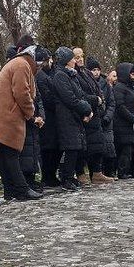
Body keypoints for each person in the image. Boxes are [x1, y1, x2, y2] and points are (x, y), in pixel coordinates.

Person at [0, 36, 43, 201]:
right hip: (8, 116)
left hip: (1, 115)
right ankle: (21, 189)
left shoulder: (15, 63)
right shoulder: (22, 65)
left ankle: (10, 190)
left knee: (5, 155)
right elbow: (21, 92)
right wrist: (31, 113)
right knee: (11, 154)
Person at [50, 47, 93, 191]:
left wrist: (86, 109)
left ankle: (70, 177)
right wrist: (86, 108)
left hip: (74, 116)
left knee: (75, 147)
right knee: (71, 147)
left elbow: (80, 95)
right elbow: (70, 98)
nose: (75, 61)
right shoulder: (60, 76)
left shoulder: (70, 75)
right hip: (66, 116)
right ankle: (66, 178)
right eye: (73, 59)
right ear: (67, 61)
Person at [76, 51, 111, 184]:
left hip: (95, 114)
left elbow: (98, 90)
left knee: (97, 145)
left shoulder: (85, 73)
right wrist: (94, 100)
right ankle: (81, 173)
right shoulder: (74, 74)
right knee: (83, 147)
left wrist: (100, 99)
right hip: (85, 114)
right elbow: (79, 94)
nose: (80, 59)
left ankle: (97, 172)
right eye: (77, 57)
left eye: (81, 56)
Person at [18, 47, 48, 192]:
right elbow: (23, 97)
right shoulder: (23, 71)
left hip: (35, 118)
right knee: (25, 152)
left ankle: (32, 178)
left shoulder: (34, 76)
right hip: (27, 118)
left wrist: (41, 115)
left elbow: (39, 98)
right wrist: (32, 117)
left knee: (34, 150)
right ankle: (26, 180)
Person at [112, 62, 134, 179]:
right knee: (125, 149)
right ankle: (122, 171)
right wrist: (133, 118)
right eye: (131, 73)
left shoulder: (133, 87)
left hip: (132, 124)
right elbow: (120, 106)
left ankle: (130, 171)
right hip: (123, 124)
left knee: (131, 149)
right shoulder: (119, 87)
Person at [37, 50, 60, 188]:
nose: (50, 62)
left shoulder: (49, 74)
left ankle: (51, 175)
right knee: (48, 149)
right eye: (48, 60)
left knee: (54, 148)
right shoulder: (41, 76)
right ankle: (47, 176)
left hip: (52, 117)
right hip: (47, 117)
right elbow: (47, 97)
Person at [95, 62, 117, 178]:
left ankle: (110, 171)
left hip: (106, 122)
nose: (96, 72)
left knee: (109, 148)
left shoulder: (106, 85)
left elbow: (112, 103)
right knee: (98, 148)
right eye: (94, 70)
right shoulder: (90, 83)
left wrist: (107, 117)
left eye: (98, 69)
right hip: (95, 120)